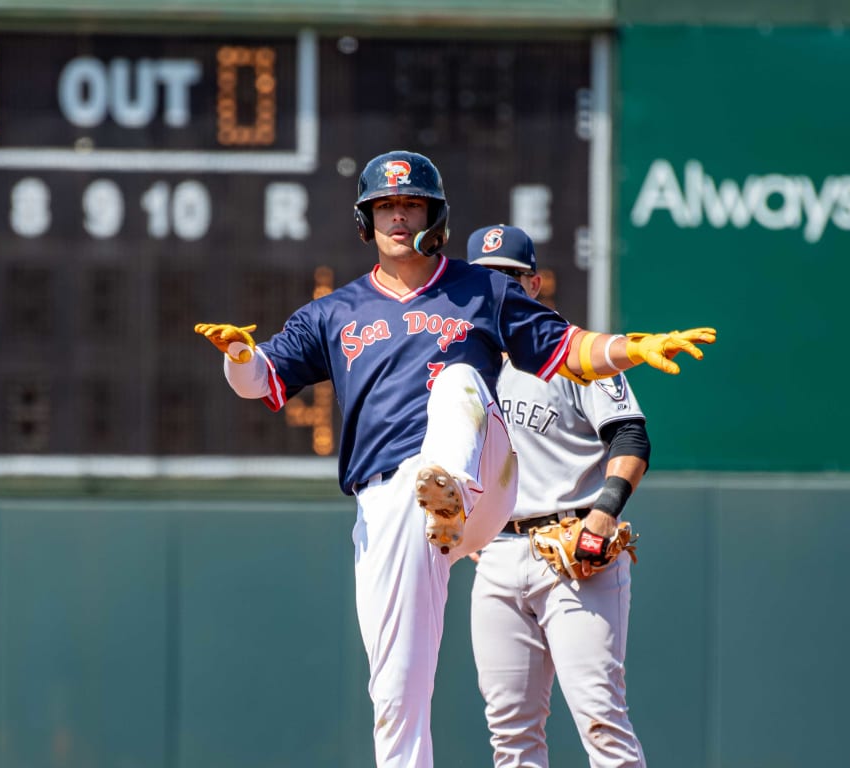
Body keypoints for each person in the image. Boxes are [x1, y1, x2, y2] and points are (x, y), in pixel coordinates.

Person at [193, 149, 715, 768]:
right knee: (395, 691)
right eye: (383, 206)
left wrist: (632, 346)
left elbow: (568, 347)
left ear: (433, 214)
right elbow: (264, 382)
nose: (395, 217)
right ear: (365, 220)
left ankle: (449, 488)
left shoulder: (482, 288)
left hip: (481, 486)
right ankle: (437, 500)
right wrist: (239, 358)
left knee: (458, 382)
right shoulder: (335, 311)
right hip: (391, 504)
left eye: (408, 203)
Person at [465, 224, 650, 767]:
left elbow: (630, 435)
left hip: (573, 549)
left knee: (601, 721)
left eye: (510, 279)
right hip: (497, 556)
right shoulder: (462, 364)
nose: (497, 289)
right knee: (511, 735)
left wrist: (603, 512)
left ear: (535, 283)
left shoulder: (575, 352)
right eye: (484, 279)